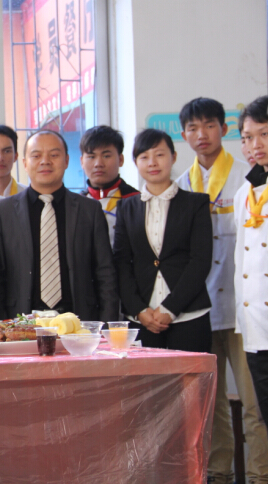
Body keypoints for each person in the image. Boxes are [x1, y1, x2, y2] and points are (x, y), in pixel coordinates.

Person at [175, 97, 268, 484]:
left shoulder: (247, 179)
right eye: (193, 128)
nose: (202, 135)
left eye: (209, 125)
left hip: (245, 312)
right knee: (210, 403)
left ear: (224, 129)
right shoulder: (181, 185)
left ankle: (259, 474)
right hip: (200, 309)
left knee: (254, 402)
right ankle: (218, 473)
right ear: (183, 135)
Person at [0, 130, 117, 320]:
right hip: (21, 322)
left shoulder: (89, 209)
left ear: (66, 160)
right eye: (36, 156)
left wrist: (106, 325)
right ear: (25, 163)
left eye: (54, 155)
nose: (45, 161)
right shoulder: (4, 211)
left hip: (79, 322)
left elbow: (105, 273)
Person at [113, 129, 213, 353]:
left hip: (189, 314)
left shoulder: (196, 204)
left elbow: (200, 261)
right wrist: (138, 309)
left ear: (173, 157)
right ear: (135, 162)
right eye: (144, 157)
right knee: (144, 376)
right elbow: (121, 262)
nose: (152, 163)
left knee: (192, 375)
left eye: (159, 154)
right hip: (142, 317)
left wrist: (170, 308)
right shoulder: (126, 207)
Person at [234, 95, 268, 433]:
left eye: (264, 134)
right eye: (248, 137)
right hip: (256, 323)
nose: (255, 145)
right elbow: (241, 259)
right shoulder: (246, 191)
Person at [79, 125, 139, 246]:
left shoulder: (137, 201)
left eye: (106, 156)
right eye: (91, 157)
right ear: (82, 162)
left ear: (121, 160)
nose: (98, 164)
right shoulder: (75, 204)